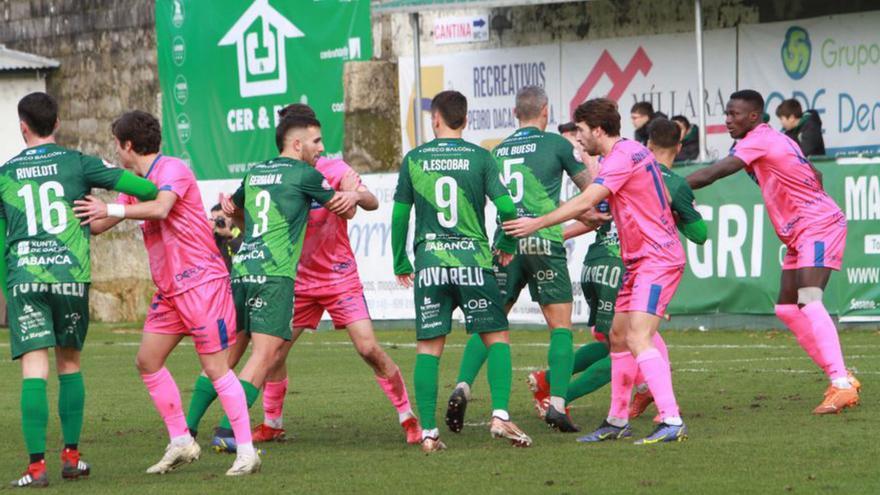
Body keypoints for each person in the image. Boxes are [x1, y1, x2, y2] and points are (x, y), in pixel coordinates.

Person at [74, 111, 260, 476]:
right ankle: (181, 441)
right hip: (171, 290)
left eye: (117, 144)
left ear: (127, 145)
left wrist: (111, 205)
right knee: (147, 360)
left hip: (202, 283)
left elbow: (161, 208)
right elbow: (97, 226)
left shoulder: (173, 168)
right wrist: (77, 198)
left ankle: (248, 451)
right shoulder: (135, 186)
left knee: (216, 369)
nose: (117, 151)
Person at [504, 98, 688, 444]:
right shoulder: (625, 154)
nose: (577, 139)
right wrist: (549, 232)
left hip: (657, 258)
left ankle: (672, 419)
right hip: (638, 259)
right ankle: (617, 420)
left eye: (581, 131)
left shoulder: (619, 158)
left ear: (599, 130)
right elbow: (597, 214)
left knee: (638, 336)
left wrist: (538, 223)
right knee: (616, 337)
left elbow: (586, 201)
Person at [1, 93, 158, 488]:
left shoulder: (5, 174)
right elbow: (144, 186)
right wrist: (110, 206)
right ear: (57, 124)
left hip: (26, 280)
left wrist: (7, 287)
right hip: (70, 278)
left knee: (33, 371)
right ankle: (71, 458)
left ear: (23, 127)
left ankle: (36, 468)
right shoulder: (79, 162)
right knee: (69, 365)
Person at [687, 90, 859, 414]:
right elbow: (816, 174)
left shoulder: (758, 141)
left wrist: (668, 186)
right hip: (800, 229)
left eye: (734, 114)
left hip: (817, 225)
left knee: (809, 300)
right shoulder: (775, 139)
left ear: (753, 117)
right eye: (726, 113)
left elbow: (714, 173)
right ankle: (842, 376)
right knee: (787, 309)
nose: (727, 119)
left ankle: (840, 383)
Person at [446, 86, 592, 434]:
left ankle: (463, 384)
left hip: (504, 244)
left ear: (515, 114)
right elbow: (592, 191)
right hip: (543, 241)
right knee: (560, 326)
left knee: (491, 324)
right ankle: (557, 403)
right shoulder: (558, 145)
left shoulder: (496, 151)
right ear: (545, 110)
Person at [391, 90, 531, 452]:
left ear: (435, 119)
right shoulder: (481, 158)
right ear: (465, 120)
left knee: (428, 347)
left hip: (431, 265)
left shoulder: (415, 159)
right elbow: (506, 207)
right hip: (472, 262)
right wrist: (507, 244)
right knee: (496, 337)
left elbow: (400, 215)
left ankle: (428, 433)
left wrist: (399, 259)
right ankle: (500, 415)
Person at [211, 204, 242, 271]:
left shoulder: (240, 228)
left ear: (230, 216)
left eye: (221, 218)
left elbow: (242, 249)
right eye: (215, 220)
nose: (218, 222)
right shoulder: (216, 235)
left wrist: (229, 236)